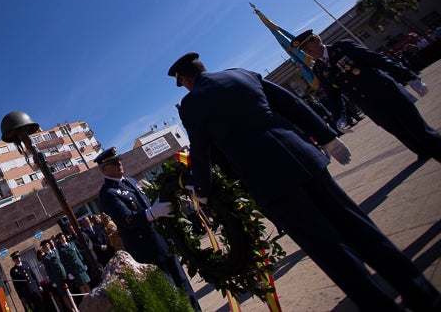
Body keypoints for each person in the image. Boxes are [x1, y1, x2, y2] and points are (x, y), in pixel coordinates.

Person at [169, 51, 441, 311]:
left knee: (328, 248)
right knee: (358, 226)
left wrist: (202, 190)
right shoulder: (242, 74)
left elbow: (200, 148)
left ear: (187, 80)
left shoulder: (193, 104)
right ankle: (421, 294)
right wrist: (327, 138)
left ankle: (379, 304)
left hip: (269, 179)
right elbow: (291, 104)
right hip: (302, 158)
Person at [294, 30, 441, 162]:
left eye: (308, 46)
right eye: (304, 50)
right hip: (370, 106)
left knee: (420, 130)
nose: (308, 52)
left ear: (317, 40)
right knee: (401, 133)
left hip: (388, 94)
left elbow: (377, 59)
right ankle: (423, 152)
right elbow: (333, 95)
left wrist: (408, 76)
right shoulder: (319, 69)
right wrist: (339, 117)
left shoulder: (343, 47)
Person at [96, 147, 201, 311]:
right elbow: (126, 219)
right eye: (113, 162)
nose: (119, 163)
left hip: (162, 242)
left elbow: (147, 203)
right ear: (104, 169)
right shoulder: (107, 193)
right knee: (170, 295)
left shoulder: (130, 181)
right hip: (145, 249)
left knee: (184, 286)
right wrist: (152, 213)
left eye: (119, 160)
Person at [40, 240, 74, 311]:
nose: (47, 246)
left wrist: (68, 272)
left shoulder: (55, 251)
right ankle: (71, 309)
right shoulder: (45, 258)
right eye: (45, 246)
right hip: (57, 278)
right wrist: (53, 281)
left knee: (70, 292)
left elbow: (62, 262)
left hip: (64, 274)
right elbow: (49, 271)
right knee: (64, 295)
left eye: (47, 244)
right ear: (43, 248)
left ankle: (75, 306)